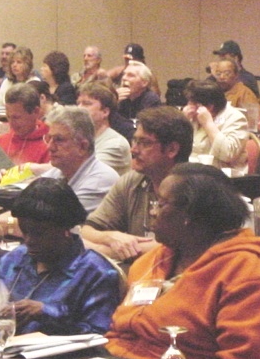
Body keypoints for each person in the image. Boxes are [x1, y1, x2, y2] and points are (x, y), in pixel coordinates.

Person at [107, 163, 260, 359]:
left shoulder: (245, 271)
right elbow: (118, 331)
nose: (152, 212)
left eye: (161, 204)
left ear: (190, 214)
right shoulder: (152, 260)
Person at [0, 179, 121, 335]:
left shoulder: (96, 272)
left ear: (65, 229)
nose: (28, 241)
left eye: (38, 233)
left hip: (62, 350)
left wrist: (46, 313)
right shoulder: (12, 260)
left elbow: (97, 335)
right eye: (24, 231)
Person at [81, 105, 193, 262]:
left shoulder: (193, 188)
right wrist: (110, 237)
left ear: (172, 149)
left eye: (145, 143)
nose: (133, 150)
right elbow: (87, 231)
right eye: (134, 140)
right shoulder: (131, 181)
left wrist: (99, 249)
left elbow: (175, 250)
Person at [38, 106, 118, 212]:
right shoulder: (57, 172)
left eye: (59, 140)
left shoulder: (101, 180)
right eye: (49, 138)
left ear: (82, 147)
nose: (49, 147)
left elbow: (55, 218)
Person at [184, 79, 249, 175]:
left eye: (193, 104)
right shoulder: (191, 117)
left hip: (223, 176)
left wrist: (208, 124)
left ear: (210, 106)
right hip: (193, 173)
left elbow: (228, 154)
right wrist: (183, 122)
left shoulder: (236, 118)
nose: (189, 108)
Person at [77, 81, 131, 175]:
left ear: (105, 112)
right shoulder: (80, 138)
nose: (79, 108)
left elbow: (84, 172)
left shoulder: (116, 144)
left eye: (86, 104)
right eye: (78, 103)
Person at [0, 83, 50, 165]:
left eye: (16, 117)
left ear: (36, 112)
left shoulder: (49, 147)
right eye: (8, 117)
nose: (11, 124)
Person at [114, 61, 160, 141]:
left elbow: (140, 132)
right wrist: (112, 103)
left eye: (131, 75)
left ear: (144, 83)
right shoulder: (119, 99)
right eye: (124, 74)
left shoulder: (151, 99)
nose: (124, 78)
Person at [0, 46, 37, 116]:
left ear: (27, 65)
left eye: (19, 62)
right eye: (12, 62)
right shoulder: (8, 81)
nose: (14, 65)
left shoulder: (33, 82)